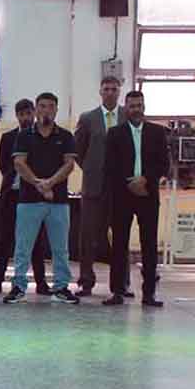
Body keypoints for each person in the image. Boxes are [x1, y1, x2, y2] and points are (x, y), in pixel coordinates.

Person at [5, 92, 80, 304]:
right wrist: (39, 183)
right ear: (36, 110)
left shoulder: (66, 136)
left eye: (50, 106)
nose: (46, 110)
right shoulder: (24, 136)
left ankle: (61, 287)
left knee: (60, 248)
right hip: (29, 200)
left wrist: (51, 183)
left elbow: (69, 165)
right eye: (42, 106)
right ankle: (18, 286)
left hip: (58, 201)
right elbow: (19, 163)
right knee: (23, 247)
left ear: (56, 110)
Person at [103, 90, 169, 308]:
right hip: (122, 196)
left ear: (144, 107)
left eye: (139, 105)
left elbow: (164, 164)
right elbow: (110, 166)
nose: (136, 110)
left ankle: (149, 294)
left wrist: (145, 180)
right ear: (126, 109)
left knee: (149, 244)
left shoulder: (157, 133)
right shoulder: (115, 134)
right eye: (132, 106)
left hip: (148, 195)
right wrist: (130, 183)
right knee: (119, 244)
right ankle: (117, 292)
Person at [0, 98, 47, 295]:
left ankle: (41, 283)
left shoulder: (40, 136)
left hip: (33, 196)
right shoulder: (8, 137)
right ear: (17, 116)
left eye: (28, 113)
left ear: (34, 114)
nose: (25, 118)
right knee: (4, 238)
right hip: (11, 194)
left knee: (36, 240)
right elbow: (3, 163)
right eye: (21, 114)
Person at [75, 75, 124, 297]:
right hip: (93, 186)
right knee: (88, 236)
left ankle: (121, 283)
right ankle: (86, 281)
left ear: (119, 91)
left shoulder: (127, 116)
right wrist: (91, 167)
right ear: (100, 92)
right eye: (106, 89)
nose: (110, 92)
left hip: (121, 187)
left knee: (121, 235)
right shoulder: (88, 118)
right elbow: (78, 149)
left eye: (114, 89)